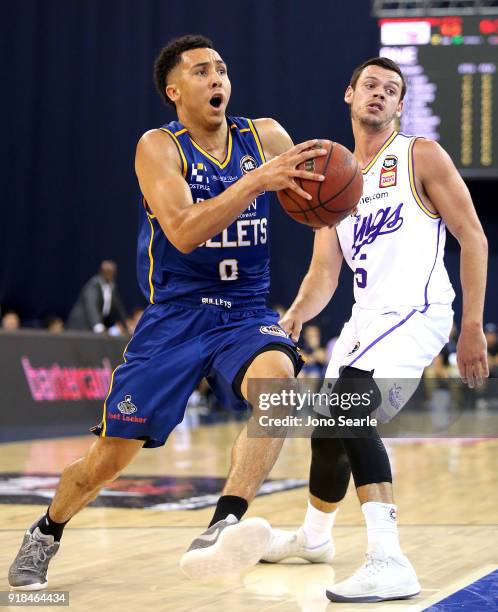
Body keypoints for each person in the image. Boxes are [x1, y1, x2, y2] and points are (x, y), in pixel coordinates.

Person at [8, 34, 327, 590]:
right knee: (106, 460)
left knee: (278, 392)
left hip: (244, 311)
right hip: (175, 316)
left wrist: (309, 284)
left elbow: (322, 210)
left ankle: (223, 525)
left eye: (222, 69)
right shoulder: (159, 147)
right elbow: (181, 231)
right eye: (202, 71)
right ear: (174, 90)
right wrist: (257, 181)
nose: (218, 79)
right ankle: (47, 530)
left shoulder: (266, 135)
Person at [261, 57, 489, 603]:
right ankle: (315, 539)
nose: (380, 94)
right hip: (364, 320)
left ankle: (390, 559)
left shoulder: (419, 156)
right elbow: (323, 274)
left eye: (392, 89)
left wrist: (473, 324)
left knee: (349, 412)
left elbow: (473, 235)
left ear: (400, 105)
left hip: (418, 310)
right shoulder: (335, 178)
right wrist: (294, 314)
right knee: (326, 434)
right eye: (371, 85)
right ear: (349, 94)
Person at [66, 260, 128, 333]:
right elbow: (91, 306)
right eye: (107, 271)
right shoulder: (93, 285)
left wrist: (126, 324)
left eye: (112, 272)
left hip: (93, 328)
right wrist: (98, 325)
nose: (110, 274)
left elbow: (119, 308)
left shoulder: (112, 287)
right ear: (101, 272)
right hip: (79, 327)